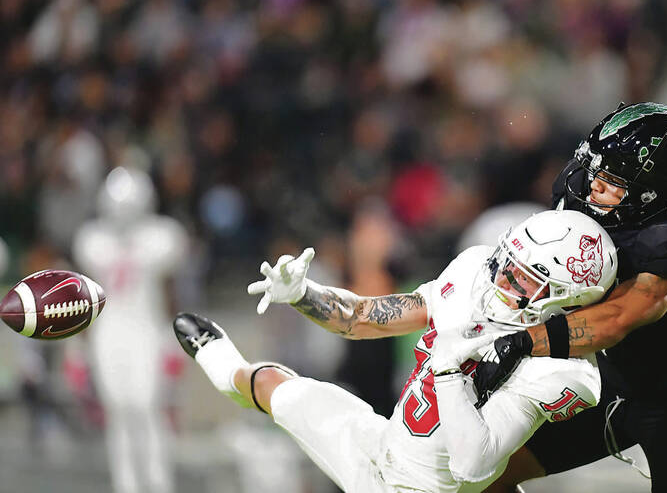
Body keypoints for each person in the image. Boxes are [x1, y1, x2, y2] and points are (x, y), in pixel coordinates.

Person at [173, 209, 618, 492]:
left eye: (522, 278)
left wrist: (448, 374)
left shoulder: (564, 371)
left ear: (566, 299)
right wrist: (303, 293)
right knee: (276, 387)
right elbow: (364, 317)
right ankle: (220, 360)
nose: (500, 280)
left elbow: (473, 464)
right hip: (382, 442)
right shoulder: (474, 274)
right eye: (506, 263)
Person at [474, 102, 667, 493]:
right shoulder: (582, 189)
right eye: (596, 169)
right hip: (606, 386)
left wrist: (525, 342)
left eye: (611, 179)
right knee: (484, 475)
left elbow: (617, 318)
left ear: (652, 193)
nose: (592, 184)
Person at [72, 166, 189, 493]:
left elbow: (170, 289)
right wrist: (79, 348)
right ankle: (126, 485)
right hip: (109, 331)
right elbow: (87, 297)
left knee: (147, 405)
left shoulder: (161, 236)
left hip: (146, 328)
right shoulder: (93, 239)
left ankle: (158, 482)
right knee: (119, 410)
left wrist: (173, 337)